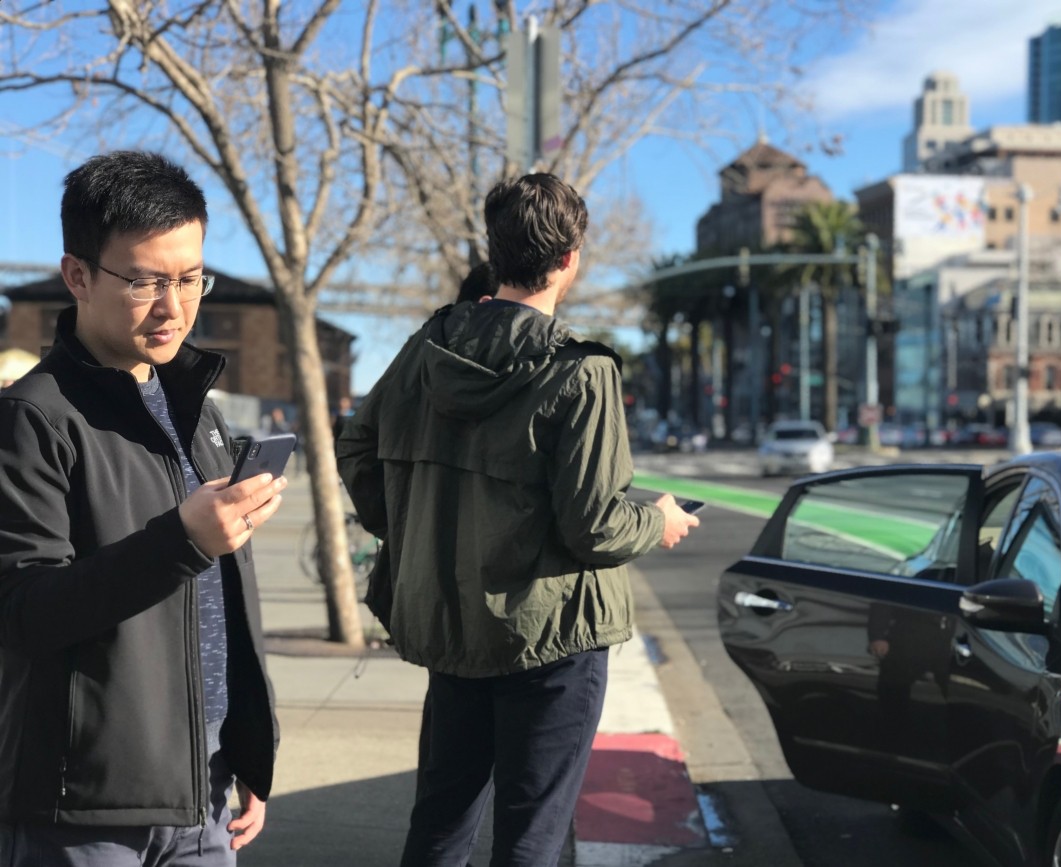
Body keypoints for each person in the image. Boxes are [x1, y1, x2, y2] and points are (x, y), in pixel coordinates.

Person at [337, 172, 698, 867]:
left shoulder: (427, 346)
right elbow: (594, 524)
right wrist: (660, 523)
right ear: (569, 259)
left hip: (453, 624)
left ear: (494, 251)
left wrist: (413, 528)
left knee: (441, 820)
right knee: (532, 834)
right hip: (552, 638)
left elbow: (357, 442)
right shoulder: (583, 371)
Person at [0, 151, 283, 865]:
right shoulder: (32, 419)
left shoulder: (199, 413)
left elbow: (227, 602)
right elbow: (23, 610)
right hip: (86, 806)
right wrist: (181, 540)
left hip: (208, 784)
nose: (175, 306)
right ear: (78, 276)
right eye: (147, 281)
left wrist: (252, 743)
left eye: (190, 278)